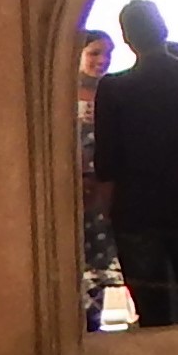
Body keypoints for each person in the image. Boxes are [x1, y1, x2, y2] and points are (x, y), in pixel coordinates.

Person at [89, 0, 178, 325]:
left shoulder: (114, 89)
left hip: (136, 210)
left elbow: (107, 160)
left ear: (127, 39)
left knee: (152, 307)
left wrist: (109, 210)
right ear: (163, 30)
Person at [74, 26, 120, 328]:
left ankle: (95, 323)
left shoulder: (115, 91)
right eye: (94, 53)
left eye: (107, 54)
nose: (101, 60)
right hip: (71, 191)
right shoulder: (59, 92)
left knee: (100, 265)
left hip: (105, 189)